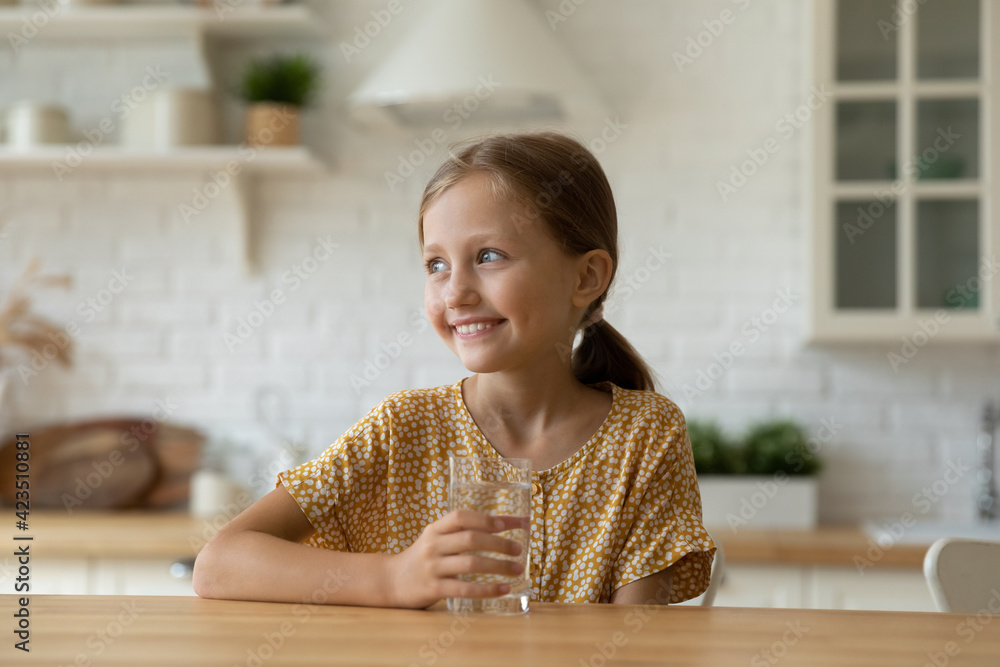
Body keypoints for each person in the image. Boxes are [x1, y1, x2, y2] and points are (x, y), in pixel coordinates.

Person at [193, 131, 716, 608]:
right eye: (436, 264)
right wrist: (394, 579)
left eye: (489, 256)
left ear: (586, 276)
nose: (456, 293)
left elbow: (636, 643)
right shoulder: (403, 429)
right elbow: (219, 565)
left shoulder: (644, 436)